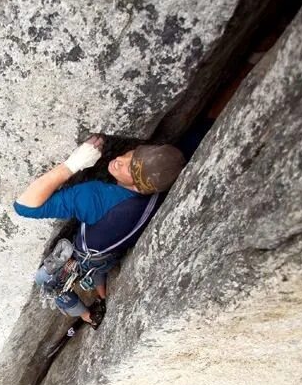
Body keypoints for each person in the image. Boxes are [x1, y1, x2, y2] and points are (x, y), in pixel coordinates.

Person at [14, 136, 185, 329]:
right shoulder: (157, 191)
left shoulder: (96, 197)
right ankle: (102, 296)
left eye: (130, 168)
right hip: (111, 253)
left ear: (139, 185)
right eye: (130, 154)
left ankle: (89, 316)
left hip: (86, 257)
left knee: (46, 281)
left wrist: (73, 164)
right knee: (100, 264)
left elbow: (25, 206)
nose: (121, 160)